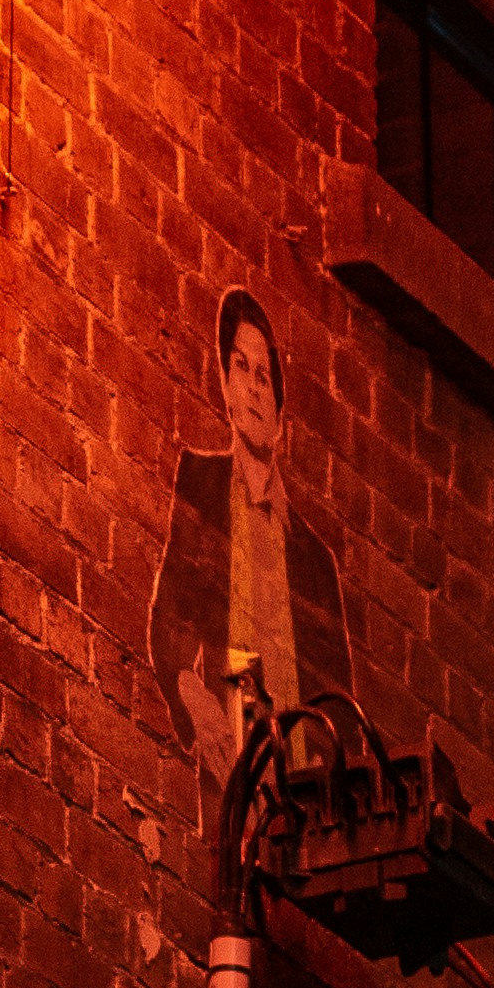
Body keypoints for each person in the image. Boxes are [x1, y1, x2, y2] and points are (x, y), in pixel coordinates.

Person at [147, 288, 357, 789]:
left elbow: (342, 712)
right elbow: (168, 620)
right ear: (223, 384)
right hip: (227, 780)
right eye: (240, 368)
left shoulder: (315, 560)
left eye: (264, 376)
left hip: (302, 796)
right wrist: (195, 697)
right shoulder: (200, 482)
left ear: (281, 413)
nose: (254, 388)